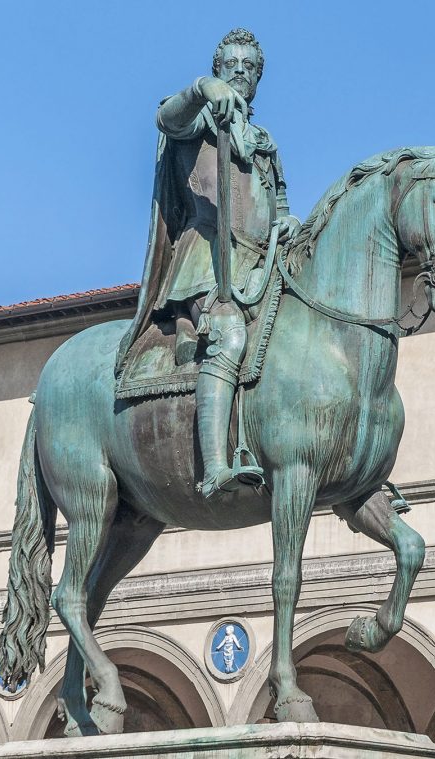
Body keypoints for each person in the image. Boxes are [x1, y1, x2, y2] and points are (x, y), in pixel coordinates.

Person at [116, 29, 300, 498]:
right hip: (208, 262)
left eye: (249, 67)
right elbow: (165, 118)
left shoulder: (264, 140)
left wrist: (289, 224)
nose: (240, 72)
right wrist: (202, 89)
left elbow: (279, 205)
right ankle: (215, 467)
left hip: (261, 266)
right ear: (219, 70)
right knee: (230, 336)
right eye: (231, 65)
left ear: (258, 78)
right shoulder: (201, 116)